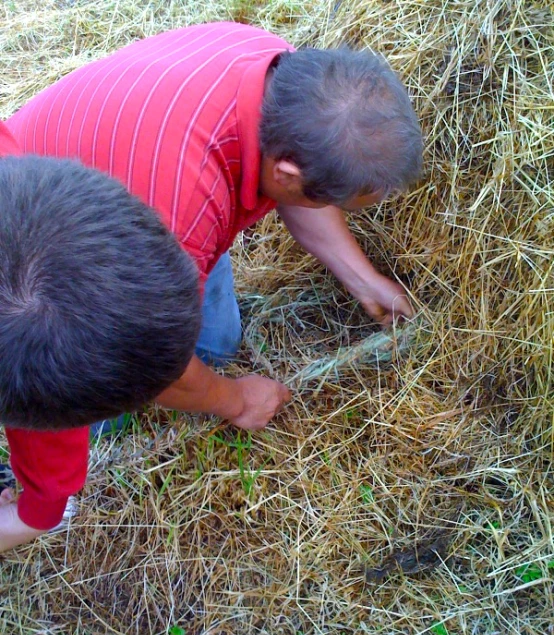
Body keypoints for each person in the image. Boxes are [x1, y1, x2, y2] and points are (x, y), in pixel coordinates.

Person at [0, 22, 422, 553]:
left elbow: (295, 188)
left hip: (53, 195)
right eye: (325, 198)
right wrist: (236, 399)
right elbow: (157, 364)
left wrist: (362, 278)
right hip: (64, 274)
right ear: (288, 172)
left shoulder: (276, 69)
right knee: (97, 386)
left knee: (215, 342)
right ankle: (80, 414)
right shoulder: (176, 214)